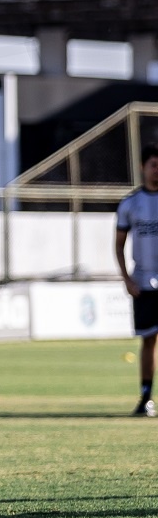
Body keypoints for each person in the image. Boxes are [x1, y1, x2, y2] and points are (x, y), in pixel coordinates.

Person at [116, 142, 158, 417]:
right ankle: (145, 398)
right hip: (143, 284)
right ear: (143, 167)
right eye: (154, 165)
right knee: (149, 340)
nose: (157, 171)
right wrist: (126, 279)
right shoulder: (130, 204)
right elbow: (118, 244)